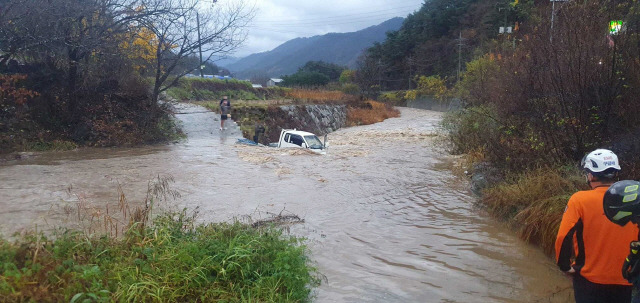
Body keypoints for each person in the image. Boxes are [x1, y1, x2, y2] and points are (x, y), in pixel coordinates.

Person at [555, 149, 639, 303]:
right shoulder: (634, 201)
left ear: (591, 175)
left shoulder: (579, 200)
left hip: (589, 280)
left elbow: (563, 236)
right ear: (615, 173)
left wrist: (565, 266)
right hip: (627, 279)